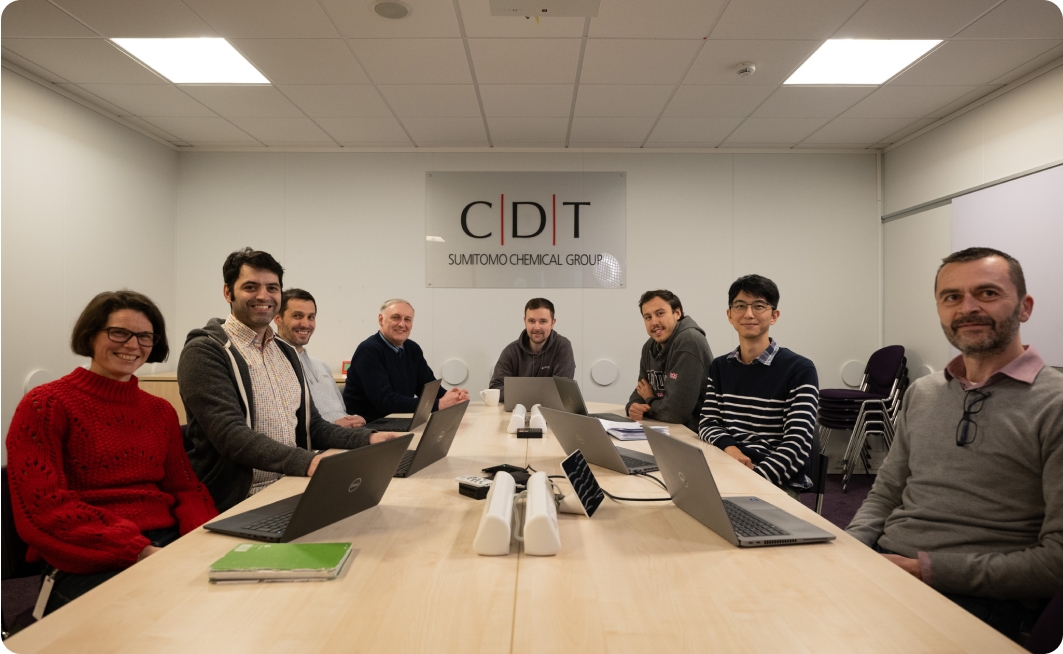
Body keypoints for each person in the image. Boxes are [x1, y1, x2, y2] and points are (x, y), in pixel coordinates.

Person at [846, 247, 1063, 642]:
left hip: (979, 599)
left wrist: (923, 570)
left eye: (987, 293)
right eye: (952, 297)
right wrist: (851, 549)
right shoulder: (923, 392)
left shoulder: (1055, 404)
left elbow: (1056, 562)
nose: (968, 308)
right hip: (885, 565)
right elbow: (886, 492)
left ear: (1025, 307)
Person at [5, 290, 218, 617]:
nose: (132, 345)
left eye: (145, 336)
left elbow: (185, 488)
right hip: (86, 556)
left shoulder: (160, 411)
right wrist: (140, 551)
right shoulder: (45, 404)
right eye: (119, 332)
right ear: (91, 335)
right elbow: (44, 508)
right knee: (162, 618)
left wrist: (203, 542)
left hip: (165, 542)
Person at [179, 248, 403, 512]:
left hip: (291, 484)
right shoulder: (205, 351)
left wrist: (368, 439)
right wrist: (307, 462)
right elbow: (231, 436)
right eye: (251, 287)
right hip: (239, 500)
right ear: (228, 292)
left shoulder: (285, 352)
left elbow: (313, 426)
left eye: (272, 288)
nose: (263, 296)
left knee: (384, 507)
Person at [697, 275, 819, 497]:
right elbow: (708, 422)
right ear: (729, 315)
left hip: (774, 478)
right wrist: (731, 449)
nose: (748, 314)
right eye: (740, 306)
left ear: (774, 316)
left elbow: (797, 444)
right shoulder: (720, 366)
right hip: (727, 465)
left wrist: (752, 480)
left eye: (759, 306)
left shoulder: (800, 369)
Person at [343, 299, 469, 424]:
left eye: (407, 319)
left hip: (398, 421)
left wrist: (454, 397)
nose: (402, 324)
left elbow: (429, 389)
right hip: (368, 426)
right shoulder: (369, 351)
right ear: (381, 319)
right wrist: (439, 404)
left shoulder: (412, 349)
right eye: (395, 317)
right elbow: (385, 401)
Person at [274, 288, 365, 429]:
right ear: (277, 319)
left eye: (311, 317)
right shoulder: (272, 367)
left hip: (345, 435)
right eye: (297, 316)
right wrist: (334, 425)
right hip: (321, 438)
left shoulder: (321, 366)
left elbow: (341, 412)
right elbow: (283, 427)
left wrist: (353, 419)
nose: (306, 324)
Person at [625, 290, 714, 432]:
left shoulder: (690, 341)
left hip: (694, 434)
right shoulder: (649, 346)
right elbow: (641, 390)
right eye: (648, 317)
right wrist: (633, 406)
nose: (654, 322)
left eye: (660, 313)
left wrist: (649, 399)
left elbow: (674, 414)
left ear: (677, 313)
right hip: (664, 429)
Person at [489, 298, 576, 401]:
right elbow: (495, 389)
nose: (537, 327)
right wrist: (537, 393)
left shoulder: (562, 347)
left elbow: (562, 391)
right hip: (516, 410)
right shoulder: (511, 351)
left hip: (549, 410)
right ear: (525, 321)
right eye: (531, 321)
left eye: (543, 321)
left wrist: (520, 393)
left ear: (552, 323)